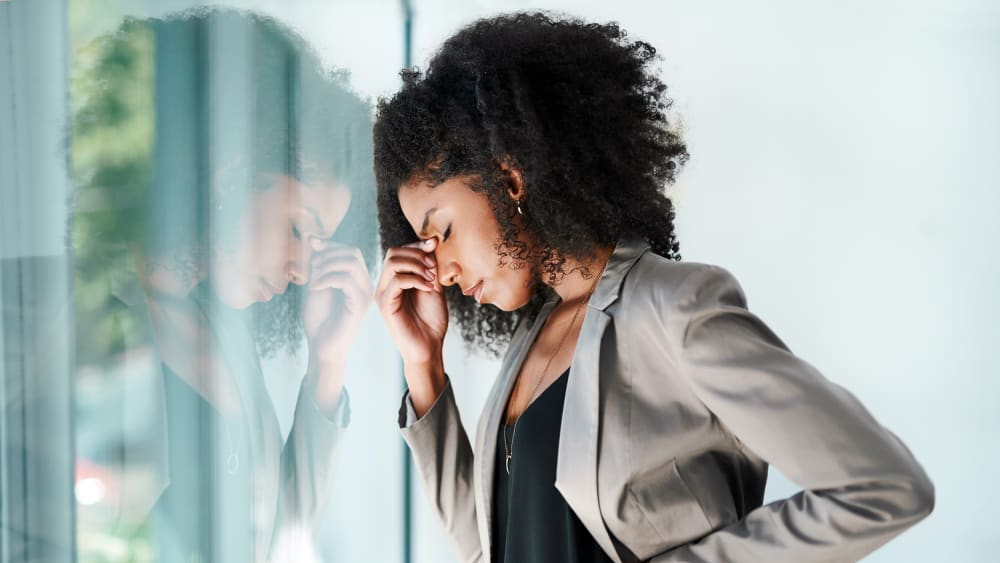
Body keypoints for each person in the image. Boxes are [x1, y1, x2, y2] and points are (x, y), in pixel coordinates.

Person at [373, 12, 933, 563]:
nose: (439, 270)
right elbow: (489, 548)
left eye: (441, 232)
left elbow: (880, 487)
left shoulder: (673, 310)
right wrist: (423, 369)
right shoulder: (532, 337)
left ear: (509, 180)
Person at [70, 8, 375, 561]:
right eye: (300, 227)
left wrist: (327, 364)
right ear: (231, 165)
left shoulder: (223, 332)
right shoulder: (84, 301)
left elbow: (284, 533)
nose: (304, 270)